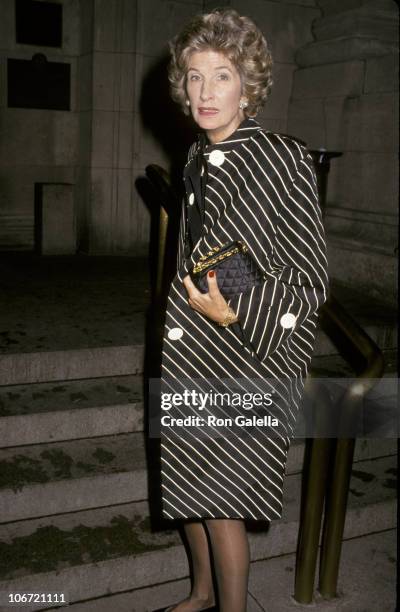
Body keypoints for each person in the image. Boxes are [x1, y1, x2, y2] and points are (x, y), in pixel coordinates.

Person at [152, 8, 329, 612]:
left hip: (244, 353)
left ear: (248, 85)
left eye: (221, 75)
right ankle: (200, 593)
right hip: (189, 351)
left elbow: (306, 273)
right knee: (187, 485)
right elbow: (198, 258)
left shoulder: (282, 156)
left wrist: (235, 311)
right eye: (194, 76)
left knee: (223, 499)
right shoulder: (195, 161)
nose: (205, 92)